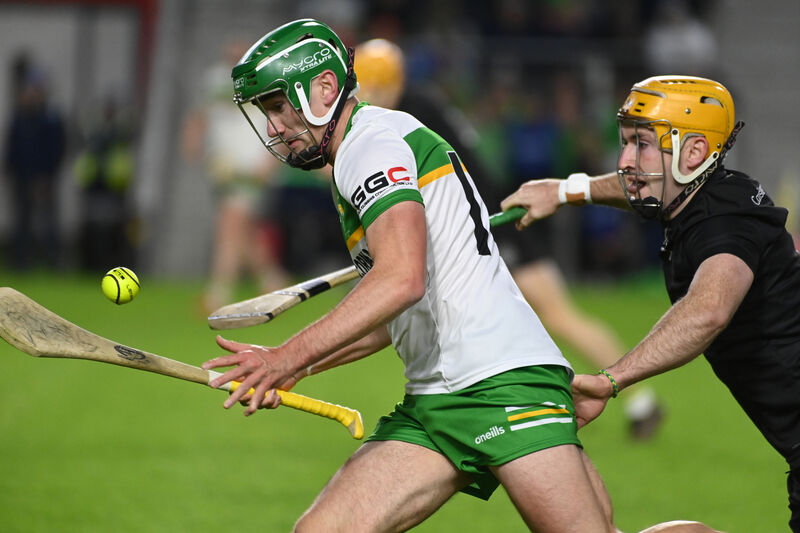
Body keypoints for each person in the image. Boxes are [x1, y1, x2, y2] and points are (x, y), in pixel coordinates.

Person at [203, 20, 719, 533]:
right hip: (437, 397)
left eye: (277, 106)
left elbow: (400, 280)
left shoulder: (369, 147)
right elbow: (396, 311)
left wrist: (288, 356)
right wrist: (294, 367)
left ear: (322, 89)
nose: (273, 127)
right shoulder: (366, 147)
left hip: (499, 384)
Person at [501, 74, 800, 532]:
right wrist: (562, 191)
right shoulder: (704, 194)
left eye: (640, 144)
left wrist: (612, 379)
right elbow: (641, 186)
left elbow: (708, 311)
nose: (624, 160)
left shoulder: (725, 225)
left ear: (694, 152)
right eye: (624, 142)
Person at [354, 37, 664, 440]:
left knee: (557, 314)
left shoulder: (410, 113)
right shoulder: (419, 104)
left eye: (376, 87)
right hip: (483, 220)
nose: (370, 99)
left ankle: (636, 397)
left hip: (489, 223)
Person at [181, 39, 289, 314]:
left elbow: (282, 120)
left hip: (251, 167)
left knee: (229, 224)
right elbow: (200, 115)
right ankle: (273, 281)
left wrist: (271, 160)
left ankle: (218, 292)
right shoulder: (215, 80)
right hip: (223, 169)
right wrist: (194, 141)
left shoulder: (265, 81)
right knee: (243, 230)